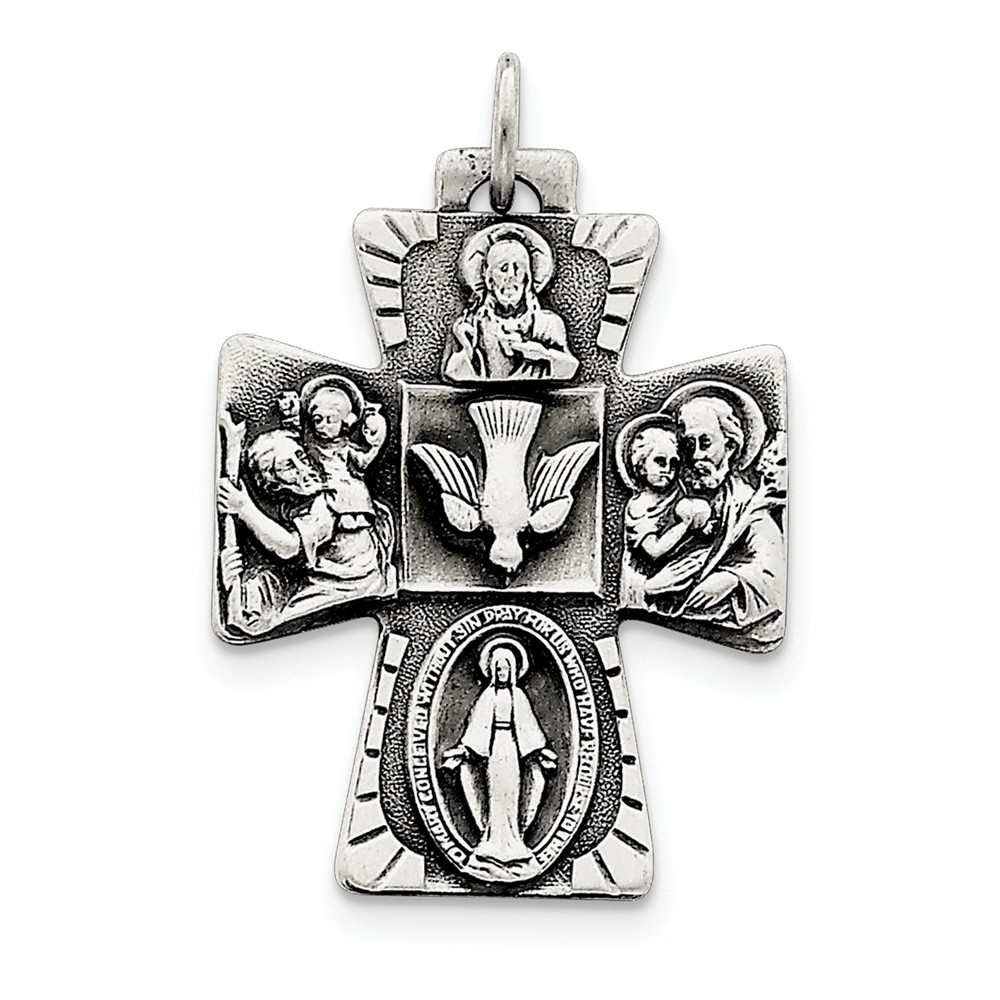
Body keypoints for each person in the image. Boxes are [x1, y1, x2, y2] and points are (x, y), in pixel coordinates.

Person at [216, 426, 395, 636]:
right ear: (274, 486)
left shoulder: (329, 499)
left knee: (260, 622)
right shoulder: (301, 507)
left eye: (301, 456)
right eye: (289, 466)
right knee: (261, 585)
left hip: (348, 585)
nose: (304, 468)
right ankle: (237, 597)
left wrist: (244, 508)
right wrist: (232, 580)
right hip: (327, 576)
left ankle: (243, 609)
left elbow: (289, 548)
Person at [442, 638, 556, 880]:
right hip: (494, 752)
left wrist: (540, 752)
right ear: (492, 671)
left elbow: (528, 729)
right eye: (498, 669)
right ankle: (493, 843)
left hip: (512, 752)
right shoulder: (488, 696)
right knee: (496, 796)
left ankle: (514, 843)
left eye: (506, 669)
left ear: (513, 671)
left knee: (511, 796)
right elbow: (477, 730)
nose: (502, 673)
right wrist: (463, 751)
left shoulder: (518, 696)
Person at [443, 225, 579, 381]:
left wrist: (542, 354)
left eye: (518, 268)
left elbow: (570, 368)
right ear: (489, 278)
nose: (511, 276)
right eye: (503, 268)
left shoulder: (547, 324)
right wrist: (466, 347)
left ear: (528, 277)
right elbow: (453, 373)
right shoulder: (473, 324)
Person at [620, 425, 712, 605]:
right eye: (660, 461)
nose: (668, 469)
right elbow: (654, 551)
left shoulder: (677, 493)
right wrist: (685, 525)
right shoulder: (639, 505)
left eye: (674, 464)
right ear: (641, 464)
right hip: (645, 578)